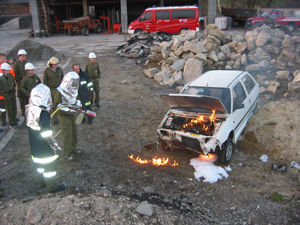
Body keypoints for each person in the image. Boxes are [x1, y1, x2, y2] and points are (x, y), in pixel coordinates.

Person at [25, 83, 66, 192]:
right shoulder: (43, 112)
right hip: (44, 148)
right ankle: (52, 187)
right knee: (49, 168)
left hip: (34, 145)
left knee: (39, 167)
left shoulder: (30, 108)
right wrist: (55, 146)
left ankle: (40, 182)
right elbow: (45, 133)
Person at [53, 71, 80, 160]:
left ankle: (73, 149)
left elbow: (76, 99)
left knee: (74, 132)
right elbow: (56, 105)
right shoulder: (59, 91)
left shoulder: (74, 89)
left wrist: (78, 105)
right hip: (63, 115)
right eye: (73, 81)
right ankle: (66, 152)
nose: (75, 83)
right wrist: (69, 110)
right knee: (67, 133)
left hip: (72, 114)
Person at [43, 57, 63, 123]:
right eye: (54, 64)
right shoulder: (46, 71)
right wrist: (47, 92)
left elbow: (62, 79)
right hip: (51, 90)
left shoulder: (59, 70)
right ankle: (55, 119)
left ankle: (60, 117)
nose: (55, 66)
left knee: (59, 104)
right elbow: (45, 82)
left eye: (56, 64)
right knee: (53, 105)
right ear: (51, 64)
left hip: (59, 89)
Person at [0, 63, 18, 129]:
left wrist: (13, 91)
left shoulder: (10, 76)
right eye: (7, 70)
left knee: (14, 108)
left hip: (12, 94)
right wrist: (4, 94)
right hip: (6, 96)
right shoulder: (1, 79)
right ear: (3, 70)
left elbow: (14, 84)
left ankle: (15, 120)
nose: (8, 71)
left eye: (8, 70)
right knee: (9, 110)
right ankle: (11, 123)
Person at [13, 49, 27, 116]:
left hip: (26, 85)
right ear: (20, 56)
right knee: (22, 100)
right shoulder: (16, 64)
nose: (25, 57)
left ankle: (27, 112)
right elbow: (16, 76)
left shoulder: (26, 63)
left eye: (25, 56)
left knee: (27, 99)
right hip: (20, 85)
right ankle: (23, 113)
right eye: (23, 56)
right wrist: (22, 78)